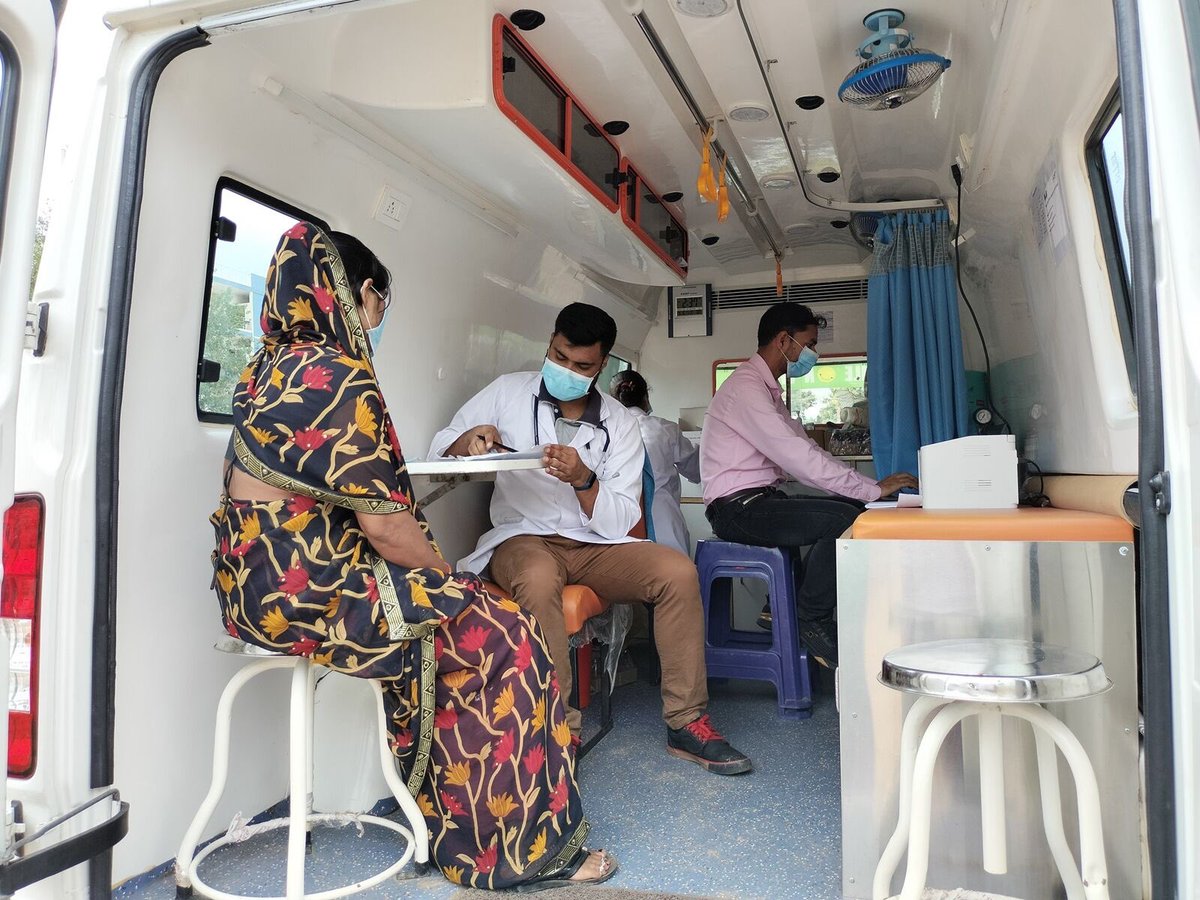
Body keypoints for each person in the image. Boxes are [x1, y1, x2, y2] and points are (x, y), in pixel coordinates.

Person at [210, 225, 616, 890]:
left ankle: (450, 811)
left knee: (470, 616)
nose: (379, 316)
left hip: (253, 590)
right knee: (505, 634)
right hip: (313, 592)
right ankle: (513, 848)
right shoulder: (338, 376)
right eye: (380, 301)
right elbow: (388, 530)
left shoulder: (266, 368)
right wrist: (450, 581)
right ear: (360, 293)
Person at [428, 303, 751, 776]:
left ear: (601, 365)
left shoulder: (619, 423)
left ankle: (686, 722)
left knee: (677, 572)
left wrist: (584, 480)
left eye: (581, 365)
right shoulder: (506, 392)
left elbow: (620, 520)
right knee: (538, 578)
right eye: (559, 357)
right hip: (524, 535)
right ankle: (559, 730)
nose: (567, 370)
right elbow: (441, 446)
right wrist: (469, 441)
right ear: (550, 343)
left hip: (594, 543)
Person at [700, 302, 918, 669]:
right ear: (784, 341)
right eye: (810, 344)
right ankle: (811, 617)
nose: (813, 353)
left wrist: (867, 489)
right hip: (736, 509)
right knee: (845, 520)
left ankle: (778, 608)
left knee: (854, 510)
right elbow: (798, 457)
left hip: (758, 501)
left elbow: (808, 451)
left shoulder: (767, 392)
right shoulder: (746, 390)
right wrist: (872, 489)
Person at [608, 369, 701, 558]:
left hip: (618, 527)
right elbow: (697, 469)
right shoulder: (665, 429)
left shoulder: (604, 433)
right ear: (646, 397)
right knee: (675, 574)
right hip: (665, 525)